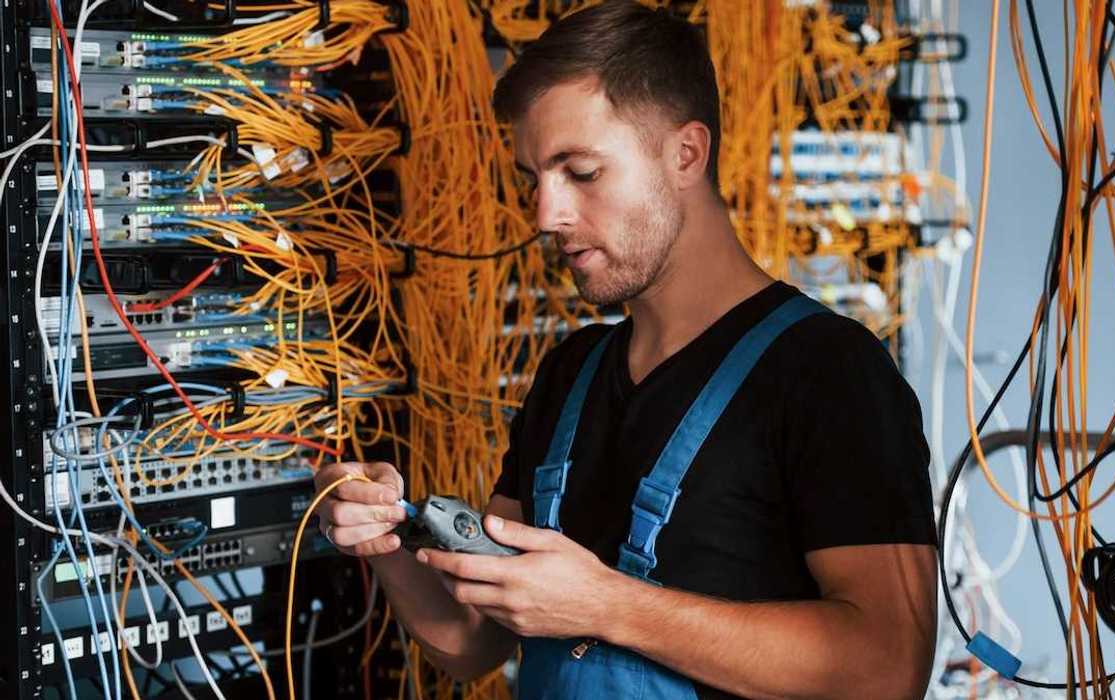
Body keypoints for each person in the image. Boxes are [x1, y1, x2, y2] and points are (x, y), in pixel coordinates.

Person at [312, 1, 937, 697]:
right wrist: (387, 546)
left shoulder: (828, 372)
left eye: (580, 172)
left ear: (685, 154)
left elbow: (889, 666)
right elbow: (474, 643)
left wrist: (609, 607)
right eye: (535, 179)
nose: (546, 215)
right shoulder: (571, 373)